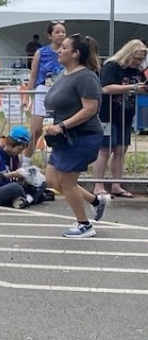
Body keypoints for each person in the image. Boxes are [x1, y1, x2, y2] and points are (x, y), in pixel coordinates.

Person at [43, 34, 109, 238]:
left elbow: (90, 109)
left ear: (76, 53)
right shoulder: (66, 74)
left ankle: (84, 225)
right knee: (52, 180)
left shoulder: (86, 77)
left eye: (64, 47)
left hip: (82, 136)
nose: (59, 51)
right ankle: (96, 201)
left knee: (67, 182)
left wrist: (62, 125)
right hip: (63, 137)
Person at [92, 39, 147, 197]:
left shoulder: (137, 70)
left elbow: (141, 84)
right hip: (108, 114)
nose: (139, 61)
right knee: (104, 150)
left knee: (121, 150)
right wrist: (133, 87)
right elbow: (106, 88)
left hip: (126, 114)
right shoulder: (112, 66)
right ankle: (98, 185)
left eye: (141, 58)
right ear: (129, 54)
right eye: (137, 58)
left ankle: (116, 184)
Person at [24, 21, 66, 166]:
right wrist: (28, 95)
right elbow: (33, 75)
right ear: (49, 35)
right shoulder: (40, 53)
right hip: (43, 91)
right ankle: (26, 160)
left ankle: (55, 161)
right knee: (36, 129)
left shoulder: (68, 53)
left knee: (57, 129)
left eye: (63, 32)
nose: (61, 35)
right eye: (57, 32)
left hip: (61, 92)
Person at [0, 126, 41, 208]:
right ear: (12, 144)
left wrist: (26, 175)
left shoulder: (13, 156)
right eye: (19, 149)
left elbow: (18, 172)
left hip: (3, 187)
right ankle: (28, 198)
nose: (20, 152)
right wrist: (13, 174)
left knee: (39, 184)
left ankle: (25, 198)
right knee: (15, 187)